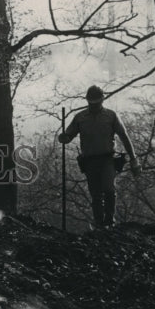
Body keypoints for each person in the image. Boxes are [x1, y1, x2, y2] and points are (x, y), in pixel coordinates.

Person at [59, 85, 141, 228]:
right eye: (92, 102)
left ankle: (110, 222)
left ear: (102, 100)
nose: (94, 105)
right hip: (90, 161)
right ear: (88, 101)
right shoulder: (80, 117)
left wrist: (134, 159)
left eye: (97, 102)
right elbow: (68, 136)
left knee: (109, 190)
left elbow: (124, 136)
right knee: (96, 195)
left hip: (107, 159)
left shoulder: (111, 115)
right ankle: (99, 225)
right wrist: (64, 137)